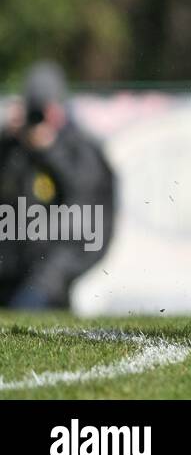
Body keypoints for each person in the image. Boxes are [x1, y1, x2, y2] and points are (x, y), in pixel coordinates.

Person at [0, 62, 116, 309]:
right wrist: (6, 137)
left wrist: (50, 151)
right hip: (16, 262)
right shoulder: (14, 144)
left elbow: (82, 195)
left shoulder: (79, 146)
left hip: (57, 261)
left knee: (32, 302)